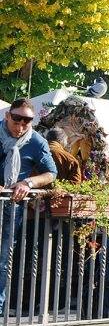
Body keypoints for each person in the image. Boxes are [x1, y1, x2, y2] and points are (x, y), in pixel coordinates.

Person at [0, 98, 57, 314]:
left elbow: (51, 173)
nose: (21, 125)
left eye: (27, 121)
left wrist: (28, 183)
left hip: (11, 208)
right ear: (7, 115)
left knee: (3, 258)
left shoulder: (37, 141)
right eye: (17, 119)